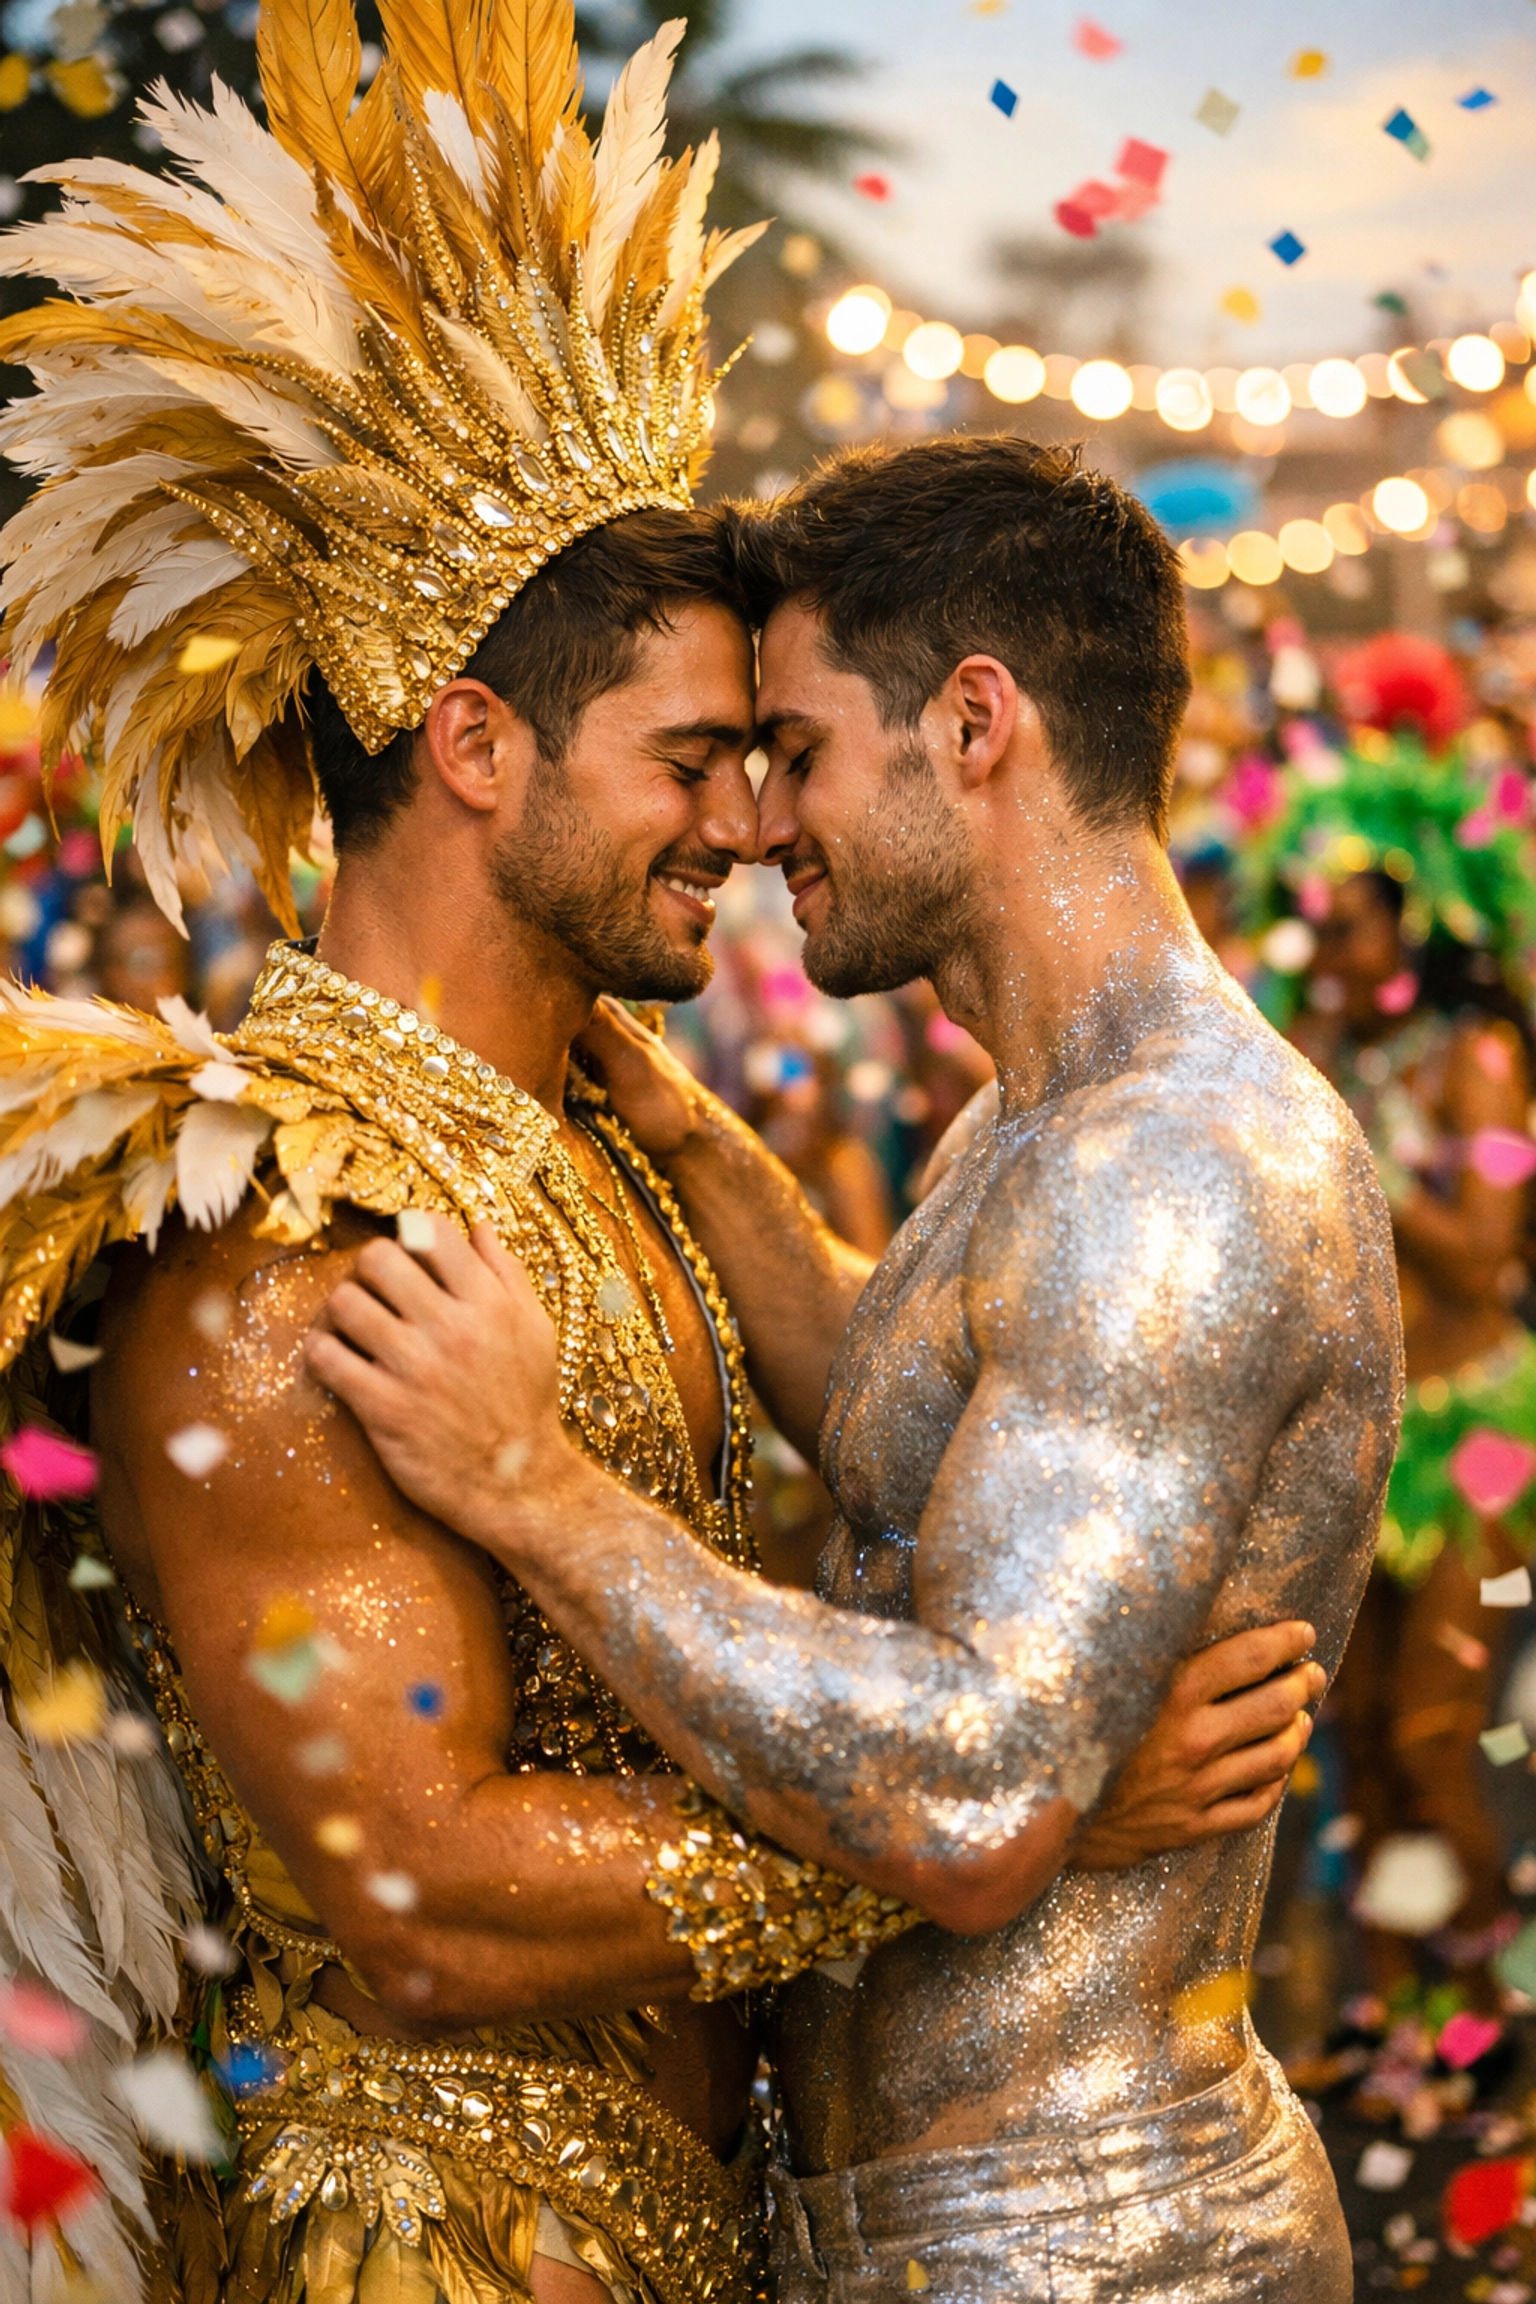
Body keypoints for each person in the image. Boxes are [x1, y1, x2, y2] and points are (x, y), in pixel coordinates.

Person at [0, 27, 1322, 2304]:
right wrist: (995, 1829)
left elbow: (881, 1404)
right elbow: (411, 1891)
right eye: (699, 757)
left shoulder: (606, 1146)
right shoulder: (280, 1239)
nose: (749, 824)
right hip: (436, 2262)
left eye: (769, 755)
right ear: (481, 747)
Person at [305, 437, 1402, 2302]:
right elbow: (916, 1424)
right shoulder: (1034, 1125)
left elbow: (978, 1806)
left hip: (1090, 2252)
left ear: (973, 724)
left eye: (796, 749)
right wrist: (697, 1149)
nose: (756, 821)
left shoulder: (1175, 1168)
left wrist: (529, 1488)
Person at [1262, 727, 1536, 2116]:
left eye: (1352, 919)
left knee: (1439, 1736)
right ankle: (1388, 2017)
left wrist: (1365, 1150)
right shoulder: (1327, 1041)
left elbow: (1486, 1259)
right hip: (1369, 1438)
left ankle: (1494, 2012)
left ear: (1411, 916)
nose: (1331, 943)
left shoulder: (1478, 1062)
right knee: (1354, 1736)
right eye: (1313, 917)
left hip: (1485, 1446)